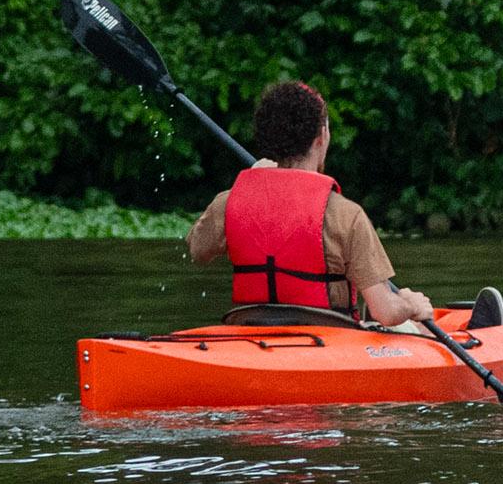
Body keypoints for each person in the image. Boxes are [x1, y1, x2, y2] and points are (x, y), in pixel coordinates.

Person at [184, 79, 438, 330]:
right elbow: (387, 313)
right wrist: (411, 305)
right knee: (419, 327)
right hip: (330, 342)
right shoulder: (345, 214)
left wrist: (248, 185)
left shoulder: (229, 203)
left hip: (253, 336)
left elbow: (197, 249)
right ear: (321, 136)